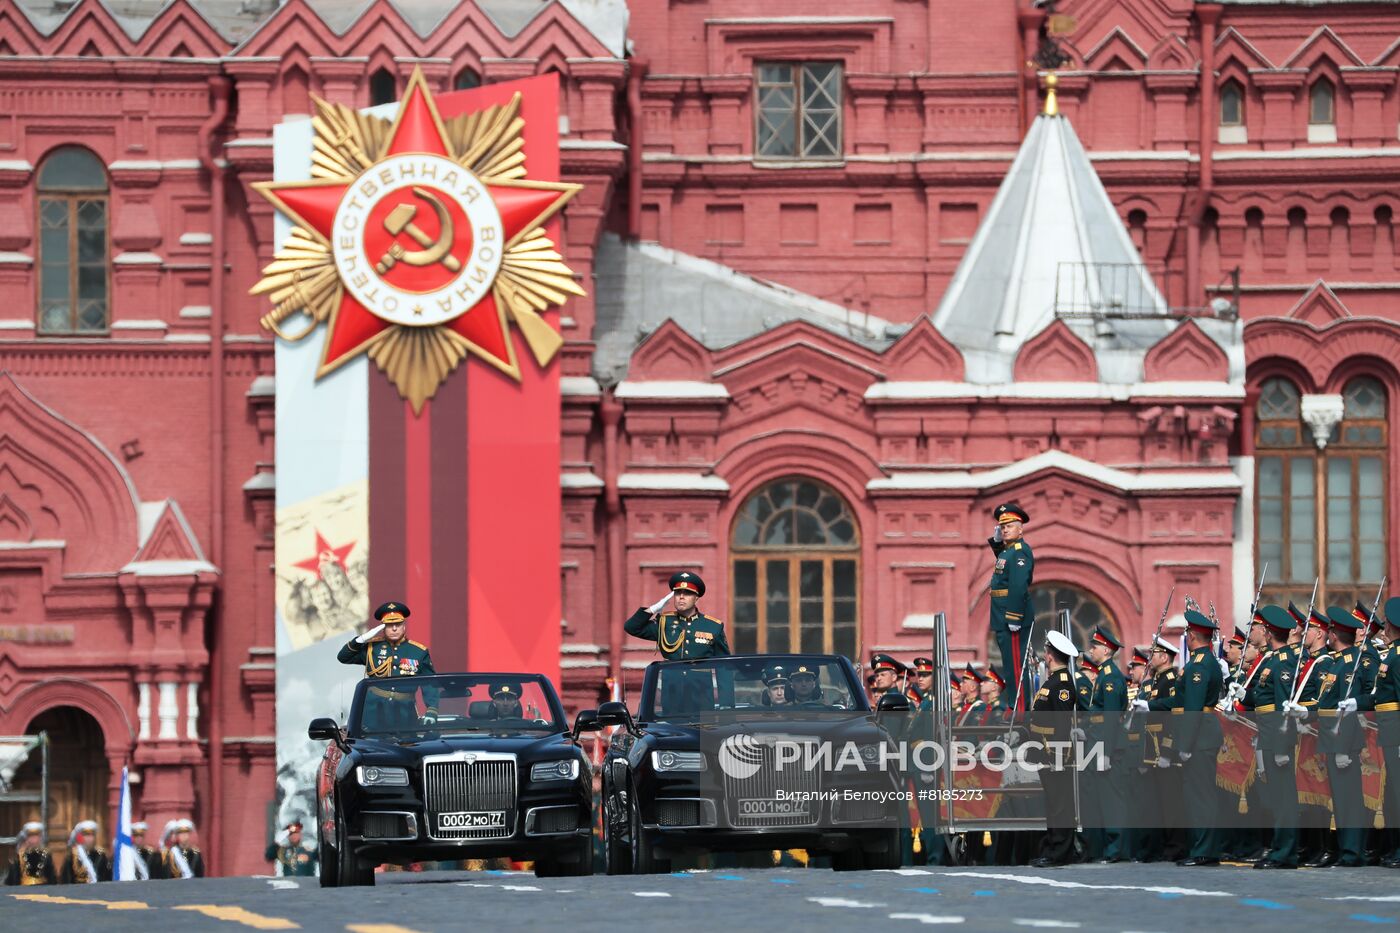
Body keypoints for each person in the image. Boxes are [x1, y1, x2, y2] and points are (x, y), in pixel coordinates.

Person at [1167, 609, 1226, 866]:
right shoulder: (1202, 662)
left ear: (1193, 636)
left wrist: (1186, 744)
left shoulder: (1200, 665)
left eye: (1188, 634)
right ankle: (1202, 848)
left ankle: (1204, 851)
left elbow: (1193, 706)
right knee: (1198, 796)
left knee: (1200, 797)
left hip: (1199, 737)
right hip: (1201, 735)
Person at [1245, 604, 1301, 869]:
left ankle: (1286, 852)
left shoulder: (1285, 661)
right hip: (1267, 733)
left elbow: (1283, 707)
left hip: (1277, 737)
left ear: (1268, 633)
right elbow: (1262, 698)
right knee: (1276, 798)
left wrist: (1281, 745)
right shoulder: (1274, 660)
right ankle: (1279, 847)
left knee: (1284, 798)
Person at [337, 601, 440, 730]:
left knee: (407, 745)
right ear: (383, 627)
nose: (394, 628)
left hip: (404, 713)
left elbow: (429, 682)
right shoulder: (372, 648)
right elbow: (343, 657)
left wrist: (431, 709)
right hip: (373, 713)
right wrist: (360, 639)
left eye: (398, 624)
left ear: (404, 626)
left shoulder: (418, 651)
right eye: (390, 625)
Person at [1028, 629, 1079, 868]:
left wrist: (1058, 756)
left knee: (1060, 805)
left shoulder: (1062, 682)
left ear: (1049, 655)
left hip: (1055, 753)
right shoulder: (1053, 681)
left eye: (1047, 652)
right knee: (1053, 803)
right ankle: (1053, 848)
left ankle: (1060, 852)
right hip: (1045, 751)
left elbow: (1061, 721)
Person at [1084, 626, 1127, 864]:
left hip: (1108, 744)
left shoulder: (1110, 677)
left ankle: (1115, 849)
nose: (1091, 649)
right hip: (1098, 740)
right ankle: (1106, 848)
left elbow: (1111, 717)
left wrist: (1106, 753)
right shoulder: (1104, 673)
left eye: (1095, 646)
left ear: (1107, 650)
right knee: (1102, 798)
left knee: (1112, 799)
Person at [987, 503, 1034, 711]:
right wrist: (997, 544)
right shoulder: (1009, 551)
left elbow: (1018, 585)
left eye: (1010, 526)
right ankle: (1014, 707)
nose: (1005, 529)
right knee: (1009, 666)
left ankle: (1020, 712)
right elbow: (1003, 565)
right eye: (1002, 526)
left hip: (1011, 617)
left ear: (1021, 528)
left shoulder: (1020, 551)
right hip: (1002, 616)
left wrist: (1014, 617)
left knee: (1016, 667)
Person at [623, 571, 729, 661]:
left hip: (700, 685)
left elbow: (724, 666)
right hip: (670, 685)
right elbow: (631, 627)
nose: (681, 597)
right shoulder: (664, 622)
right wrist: (653, 609)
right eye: (678, 593)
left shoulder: (713, 626)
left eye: (687, 593)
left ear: (696, 598)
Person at [1374, 597, 1400, 868]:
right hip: (1389, 731)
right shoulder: (1392, 653)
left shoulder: (1399, 655)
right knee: (1393, 794)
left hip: (1396, 733)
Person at [4, 822, 56, 886]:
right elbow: (13, 879)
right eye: (31, 837)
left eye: (36, 836)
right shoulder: (19, 856)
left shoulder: (46, 856)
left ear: (40, 838)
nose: (33, 840)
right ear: (26, 838)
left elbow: (52, 879)